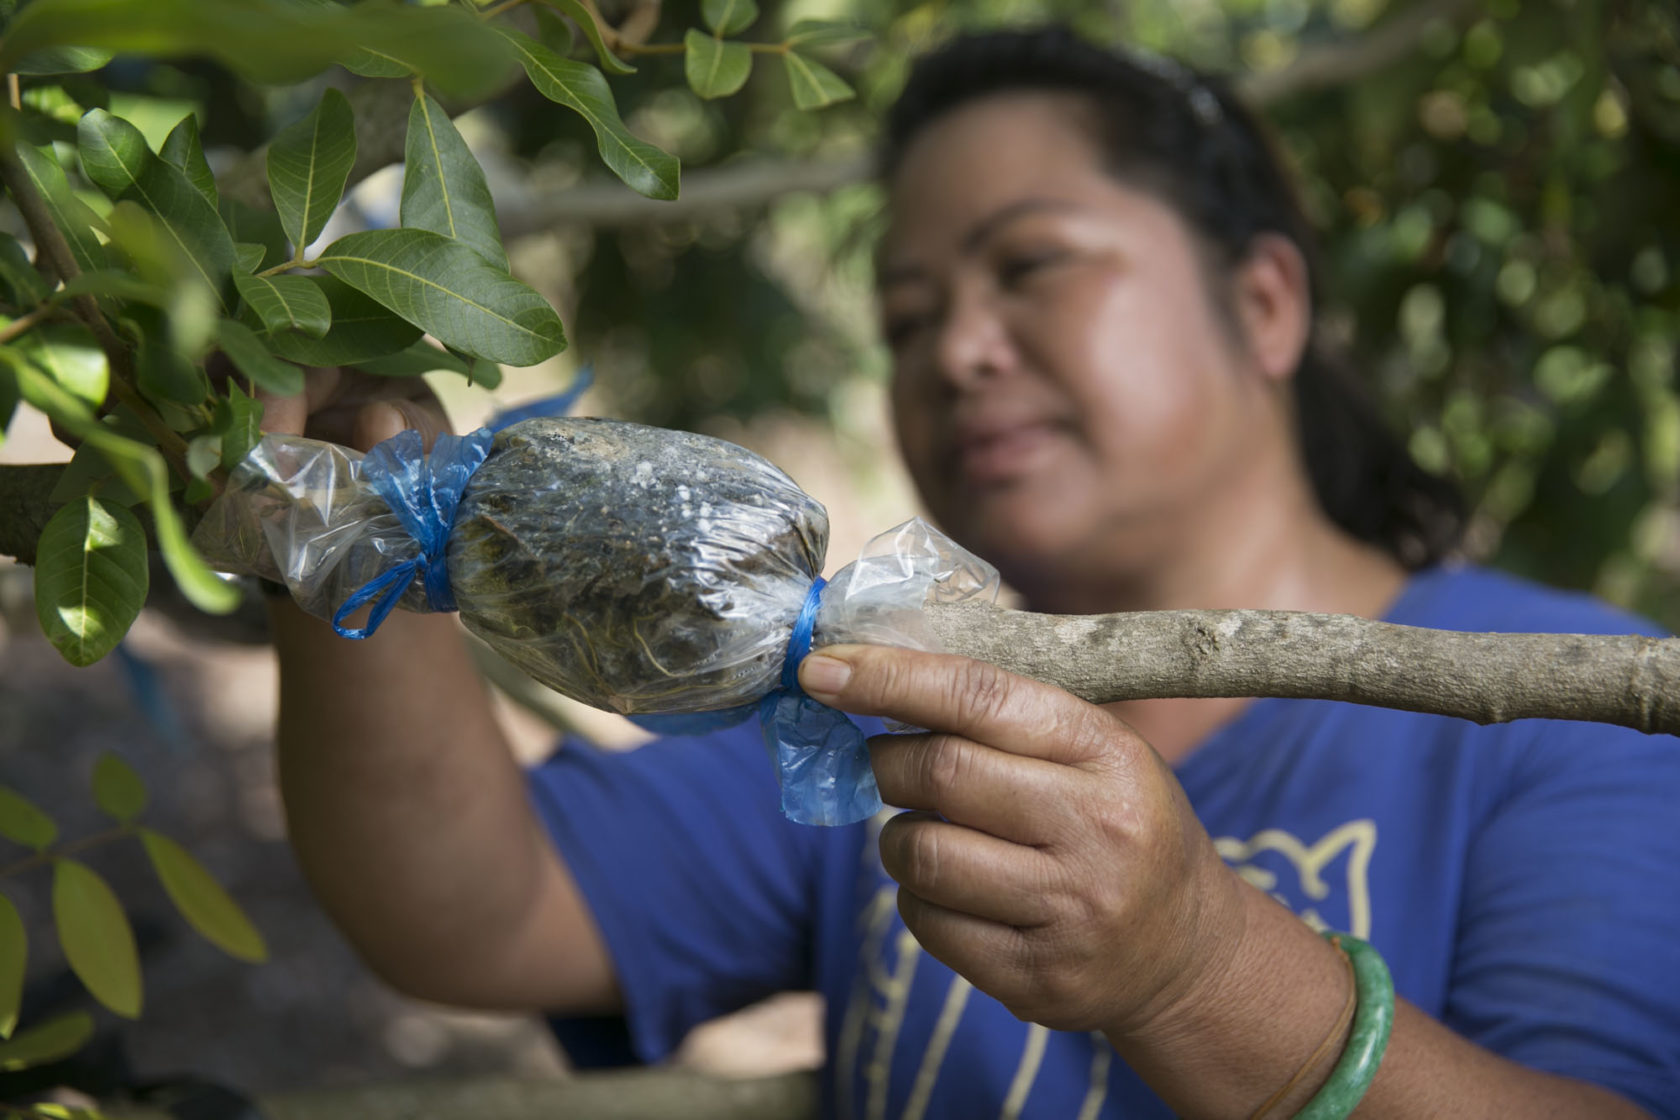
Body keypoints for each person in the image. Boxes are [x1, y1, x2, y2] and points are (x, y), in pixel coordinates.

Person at [259, 25, 1680, 1119]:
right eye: (909, 311)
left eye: (1033, 267)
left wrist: (1203, 973)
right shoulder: (871, 696)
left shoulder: (1564, 726)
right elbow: (479, 910)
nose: (956, 350)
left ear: (1264, 302)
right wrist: (358, 540)